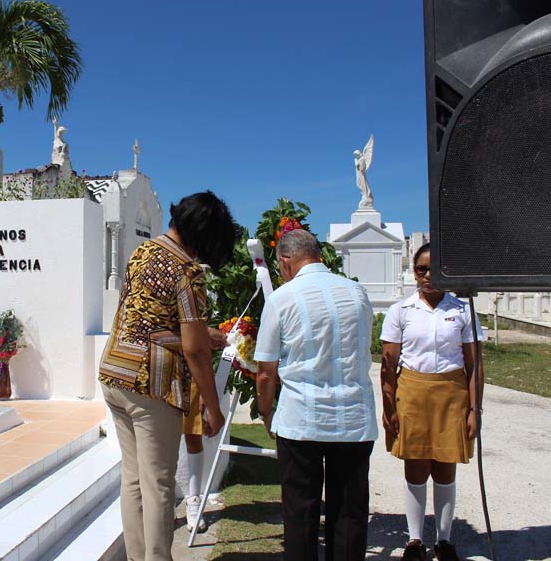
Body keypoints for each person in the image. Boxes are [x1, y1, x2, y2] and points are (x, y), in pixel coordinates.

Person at [99, 190, 235, 560]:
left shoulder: (142, 252)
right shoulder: (187, 272)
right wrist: (212, 406)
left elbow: (149, 318)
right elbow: (193, 350)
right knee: (158, 483)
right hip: (150, 384)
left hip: (115, 372)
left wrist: (201, 333)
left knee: (134, 481)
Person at [254, 228, 378, 561]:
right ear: (318, 255)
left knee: (300, 514)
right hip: (353, 417)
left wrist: (267, 413)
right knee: (349, 514)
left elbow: (266, 372)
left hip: (302, 418)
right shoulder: (356, 293)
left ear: (285, 261)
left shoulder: (282, 298)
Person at [380, 243, 484, 561]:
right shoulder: (401, 311)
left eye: (432, 268)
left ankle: (444, 539)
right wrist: (389, 409)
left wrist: (474, 410)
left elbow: (474, 364)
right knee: (416, 465)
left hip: (451, 394)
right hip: (412, 392)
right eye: (420, 269)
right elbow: (388, 364)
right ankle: (414, 541)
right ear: (414, 272)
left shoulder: (461, 310)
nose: (426, 275)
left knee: (445, 467)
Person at [182, 327, 228, 533]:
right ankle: (160, 504)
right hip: (162, 370)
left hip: (189, 372)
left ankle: (193, 498)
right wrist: (204, 332)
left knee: (193, 436)